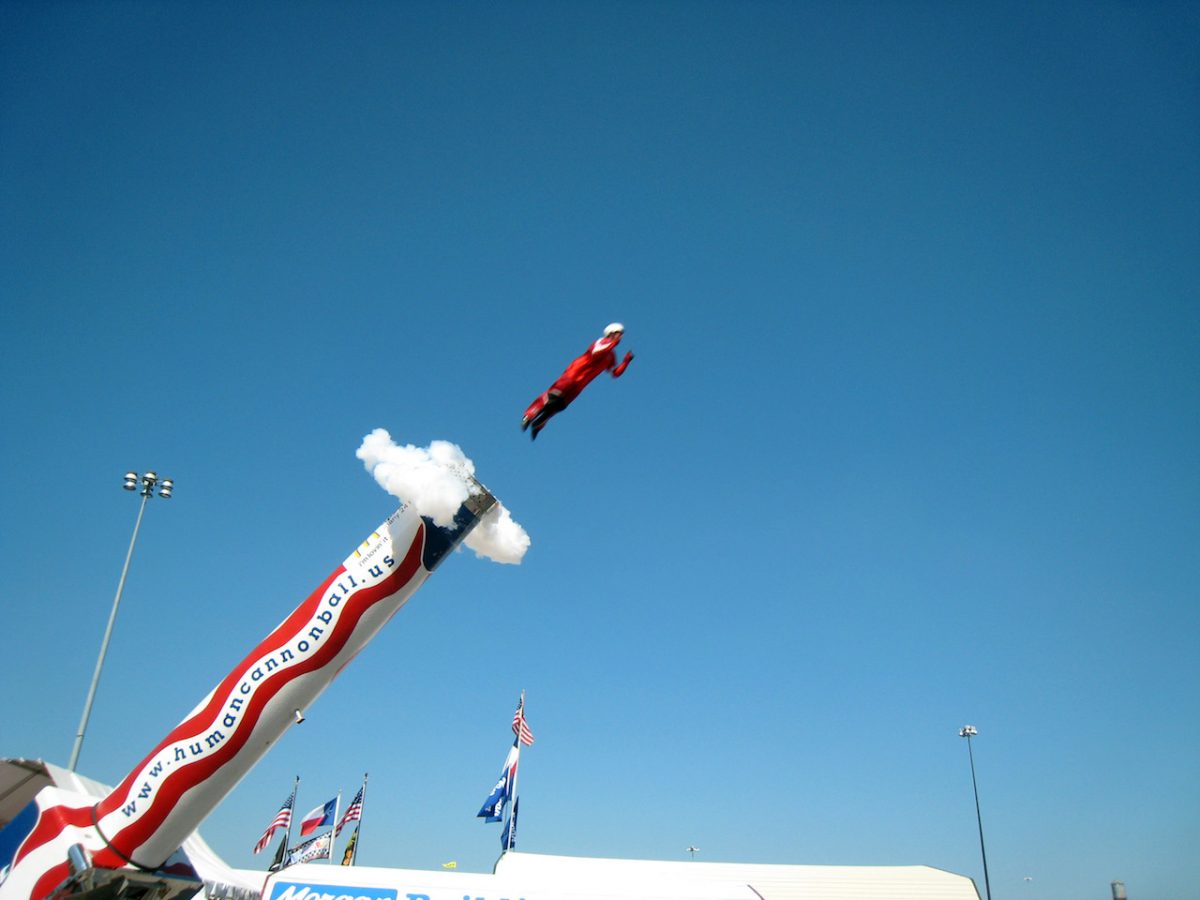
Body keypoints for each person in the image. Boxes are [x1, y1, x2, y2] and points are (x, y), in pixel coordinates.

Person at [522, 323, 634, 440]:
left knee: (560, 405)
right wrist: (613, 343)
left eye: (621, 335)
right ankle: (529, 415)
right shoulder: (601, 342)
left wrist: (626, 362)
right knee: (553, 397)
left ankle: (538, 424)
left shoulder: (611, 355)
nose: (620, 337)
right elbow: (596, 352)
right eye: (618, 334)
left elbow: (614, 373)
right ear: (611, 334)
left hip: (581, 384)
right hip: (573, 374)